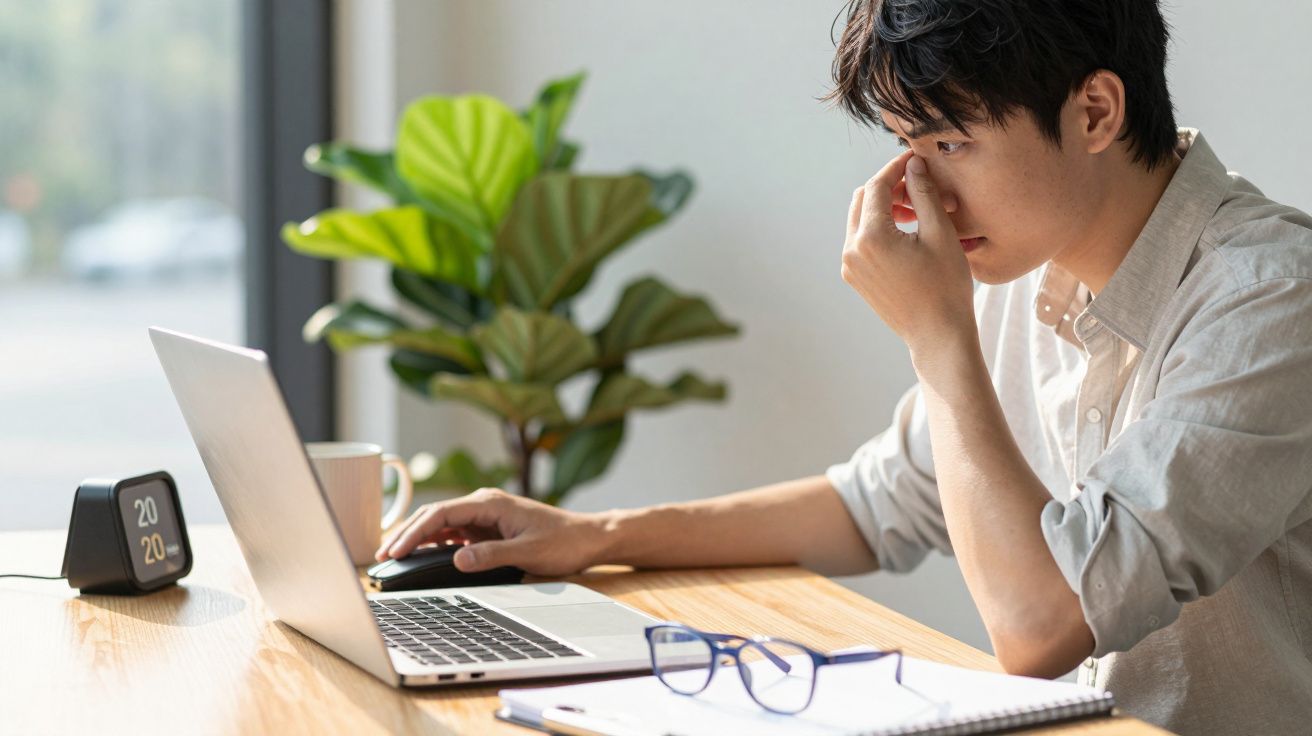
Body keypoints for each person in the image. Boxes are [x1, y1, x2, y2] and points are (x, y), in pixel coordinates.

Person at [376, 1, 1312, 732]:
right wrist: (593, 534)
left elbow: (1041, 629)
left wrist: (937, 336)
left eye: (950, 142)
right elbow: (876, 504)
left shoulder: (1274, 300)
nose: (920, 193)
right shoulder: (1028, 270)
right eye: (908, 148)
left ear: (1096, 110)